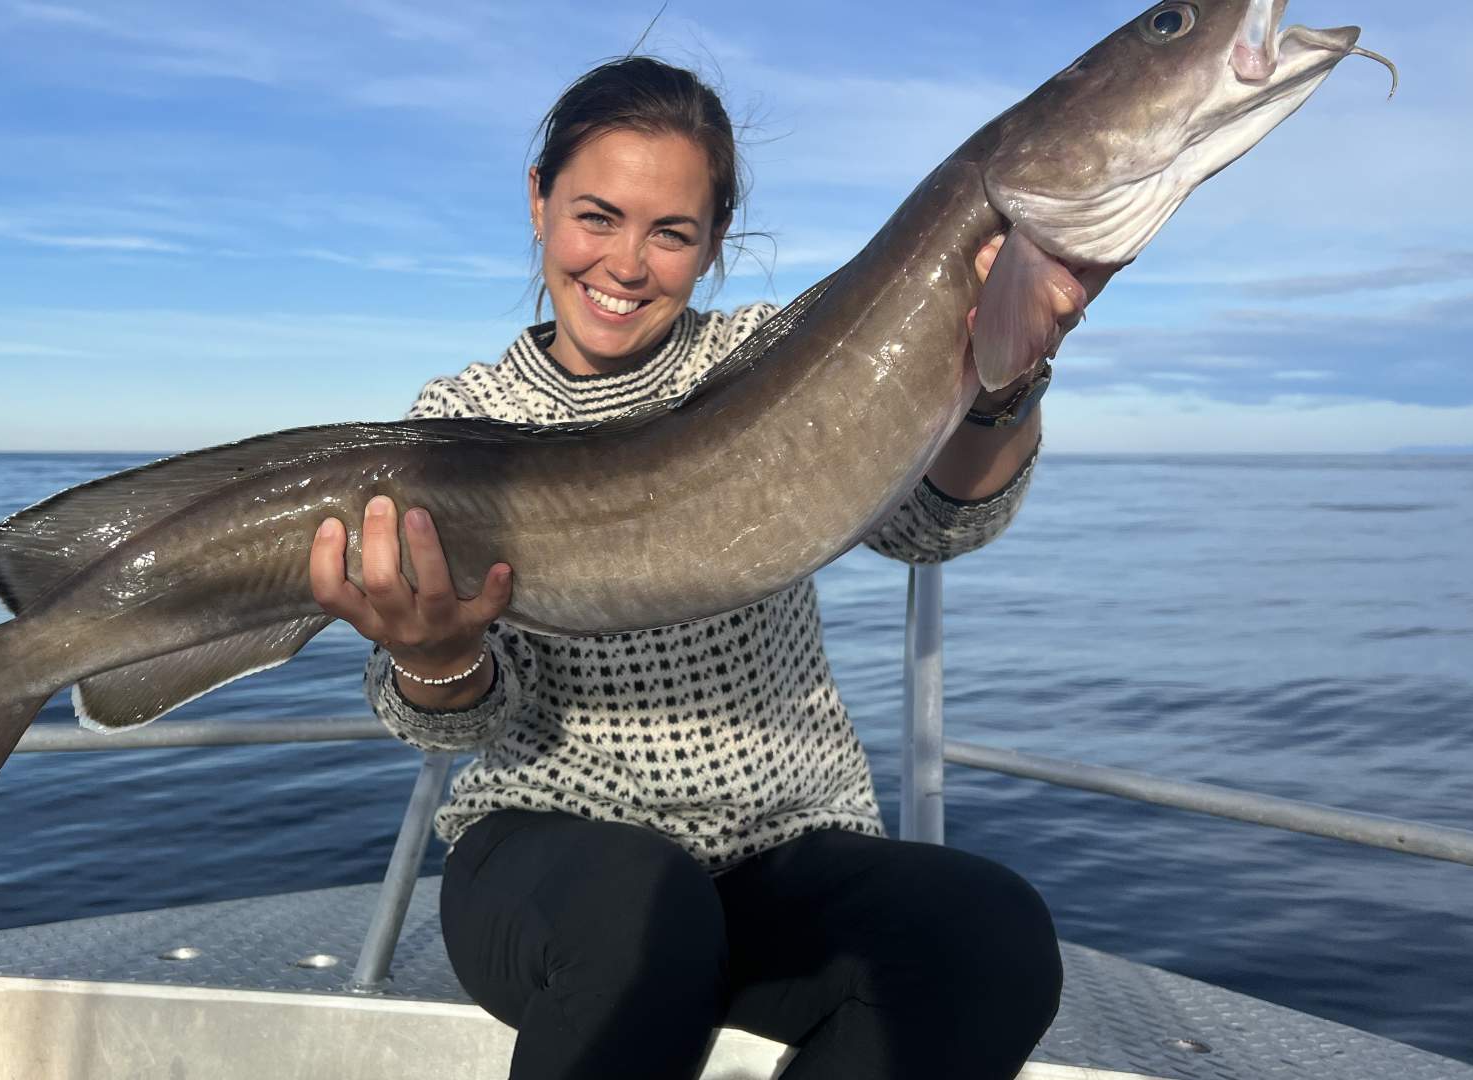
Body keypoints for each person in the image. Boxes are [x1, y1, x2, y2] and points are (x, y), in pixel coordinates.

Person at [309, 56, 1090, 1080]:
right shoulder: (463, 424)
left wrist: (1005, 379)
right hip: (550, 857)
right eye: (597, 216)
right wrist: (438, 658)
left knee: (988, 935)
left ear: (713, 243)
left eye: (669, 231)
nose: (626, 263)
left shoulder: (782, 359)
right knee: (645, 908)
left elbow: (930, 529)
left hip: (782, 848)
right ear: (539, 202)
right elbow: (446, 716)